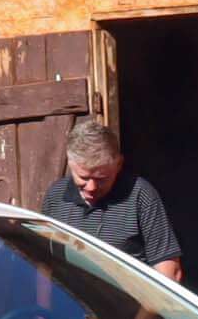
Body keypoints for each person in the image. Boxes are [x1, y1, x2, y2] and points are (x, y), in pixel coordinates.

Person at [39, 116, 183, 276]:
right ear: (71, 164)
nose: (91, 187)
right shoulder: (55, 196)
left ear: (119, 164)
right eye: (84, 178)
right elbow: (43, 261)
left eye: (102, 178)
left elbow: (169, 268)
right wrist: (42, 301)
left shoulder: (140, 194)